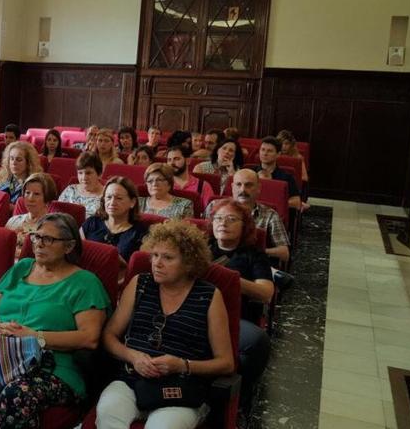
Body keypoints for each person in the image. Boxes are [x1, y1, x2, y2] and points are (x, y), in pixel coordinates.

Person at [0, 213, 110, 428]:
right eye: (36, 237)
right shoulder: (23, 267)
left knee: (16, 394)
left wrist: (34, 335)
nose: (39, 244)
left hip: (53, 366)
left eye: (48, 239)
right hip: (3, 357)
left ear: (68, 247)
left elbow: (89, 338)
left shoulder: (85, 283)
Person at [96, 220, 234, 429]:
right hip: (132, 380)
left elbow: (226, 362)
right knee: (108, 416)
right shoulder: (140, 284)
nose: (157, 263)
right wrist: (133, 356)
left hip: (181, 388)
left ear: (189, 262)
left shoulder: (209, 296)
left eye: (168, 258)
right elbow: (109, 336)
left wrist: (182, 365)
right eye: (155, 255)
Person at [207, 198, 273, 416]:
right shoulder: (201, 248)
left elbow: (266, 293)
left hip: (233, 318)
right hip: (197, 310)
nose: (222, 223)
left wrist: (229, 279)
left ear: (244, 225)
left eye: (230, 219)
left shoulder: (254, 255)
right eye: (218, 218)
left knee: (257, 341)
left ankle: (237, 393)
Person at [204, 169, 290, 264]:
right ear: (232, 187)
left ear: (258, 188)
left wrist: (256, 253)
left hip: (249, 265)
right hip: (213, 260)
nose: (243, 190)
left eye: (248, 185)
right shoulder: (214, 206)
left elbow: (284, 253)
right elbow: (203, 236)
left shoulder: (270, 215)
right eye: (238, 184)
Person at [81, 176, 149, 263]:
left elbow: (138, 268)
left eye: (119, 198)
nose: (112, 203)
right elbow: (77, 254)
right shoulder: (92, 222)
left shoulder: (141, 233)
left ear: (132, 202)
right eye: (109, 197)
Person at [5, 173, 58, 259]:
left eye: (36, 194)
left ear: (47, 198)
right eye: (27, 193)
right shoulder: (13, 221)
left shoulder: (53, 227)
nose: (30, 198)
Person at [254, 136, 305, 211]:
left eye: (269, 151)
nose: (265, 153)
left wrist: (274, 204)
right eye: (262, 150)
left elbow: (296, 202)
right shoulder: (249, 172)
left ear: (278, 154)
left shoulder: (287, 177)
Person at [58, 152, 105, 219]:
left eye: (88, 173)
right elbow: (56, 215)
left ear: (99, 174)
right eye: (80, 173)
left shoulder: (106, 196)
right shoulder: (70, 190)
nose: (84, 178)